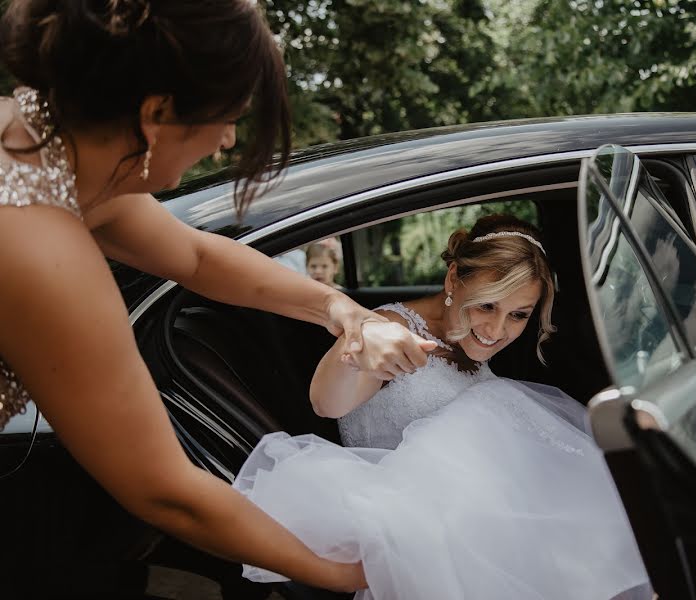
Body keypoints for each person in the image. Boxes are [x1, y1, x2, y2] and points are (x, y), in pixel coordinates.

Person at [0, 0, 435, 592]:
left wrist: (341, 309)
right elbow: (164, 491)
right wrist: (347, 573)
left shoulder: (46, 146)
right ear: (157, 112)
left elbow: (198, 257)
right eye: (228, 117)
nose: (229, 141)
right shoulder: (38, 243)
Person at [234, 215, 652, 599]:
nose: (496, 330)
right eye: (486, 304)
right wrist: (356, 343)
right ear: (454, 277)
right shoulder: (392, 330)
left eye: (518, 315)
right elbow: (327, 402)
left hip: (488, 530)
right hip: (430, 544)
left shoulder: (471, 344)